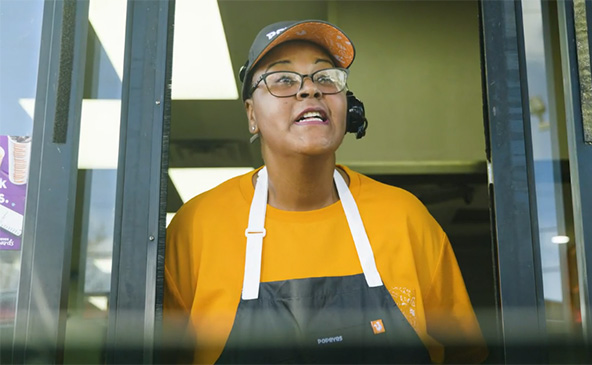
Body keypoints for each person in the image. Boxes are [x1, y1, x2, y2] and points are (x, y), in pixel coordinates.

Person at [164, 19, 487, 364]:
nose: (310, 90)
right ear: (251, 115)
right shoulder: (197, 228)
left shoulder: (405, 218)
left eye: (325, 77)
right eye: (283, 80)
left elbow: (464, 356)